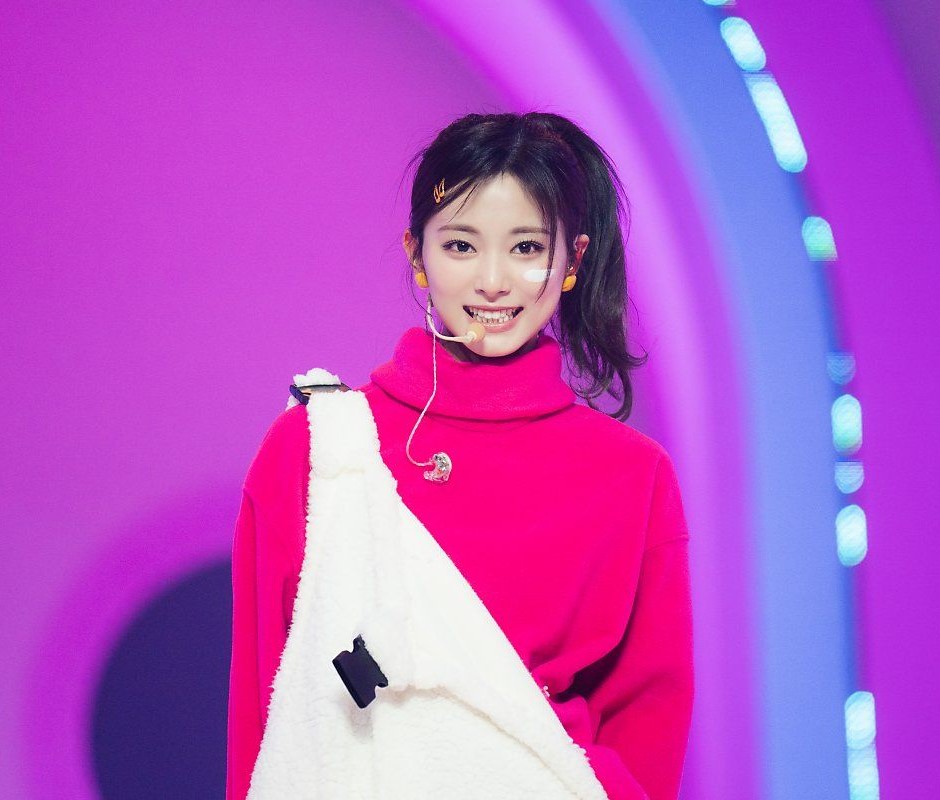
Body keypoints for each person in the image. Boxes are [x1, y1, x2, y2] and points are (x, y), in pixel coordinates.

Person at [226, 111, 694, 800]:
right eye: (461, 246)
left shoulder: (632, 474)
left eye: (527, 247)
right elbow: (266, 712)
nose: (493, 281)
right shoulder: (316, 450)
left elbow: (648, 722)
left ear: (572, 261)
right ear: (417, 253)